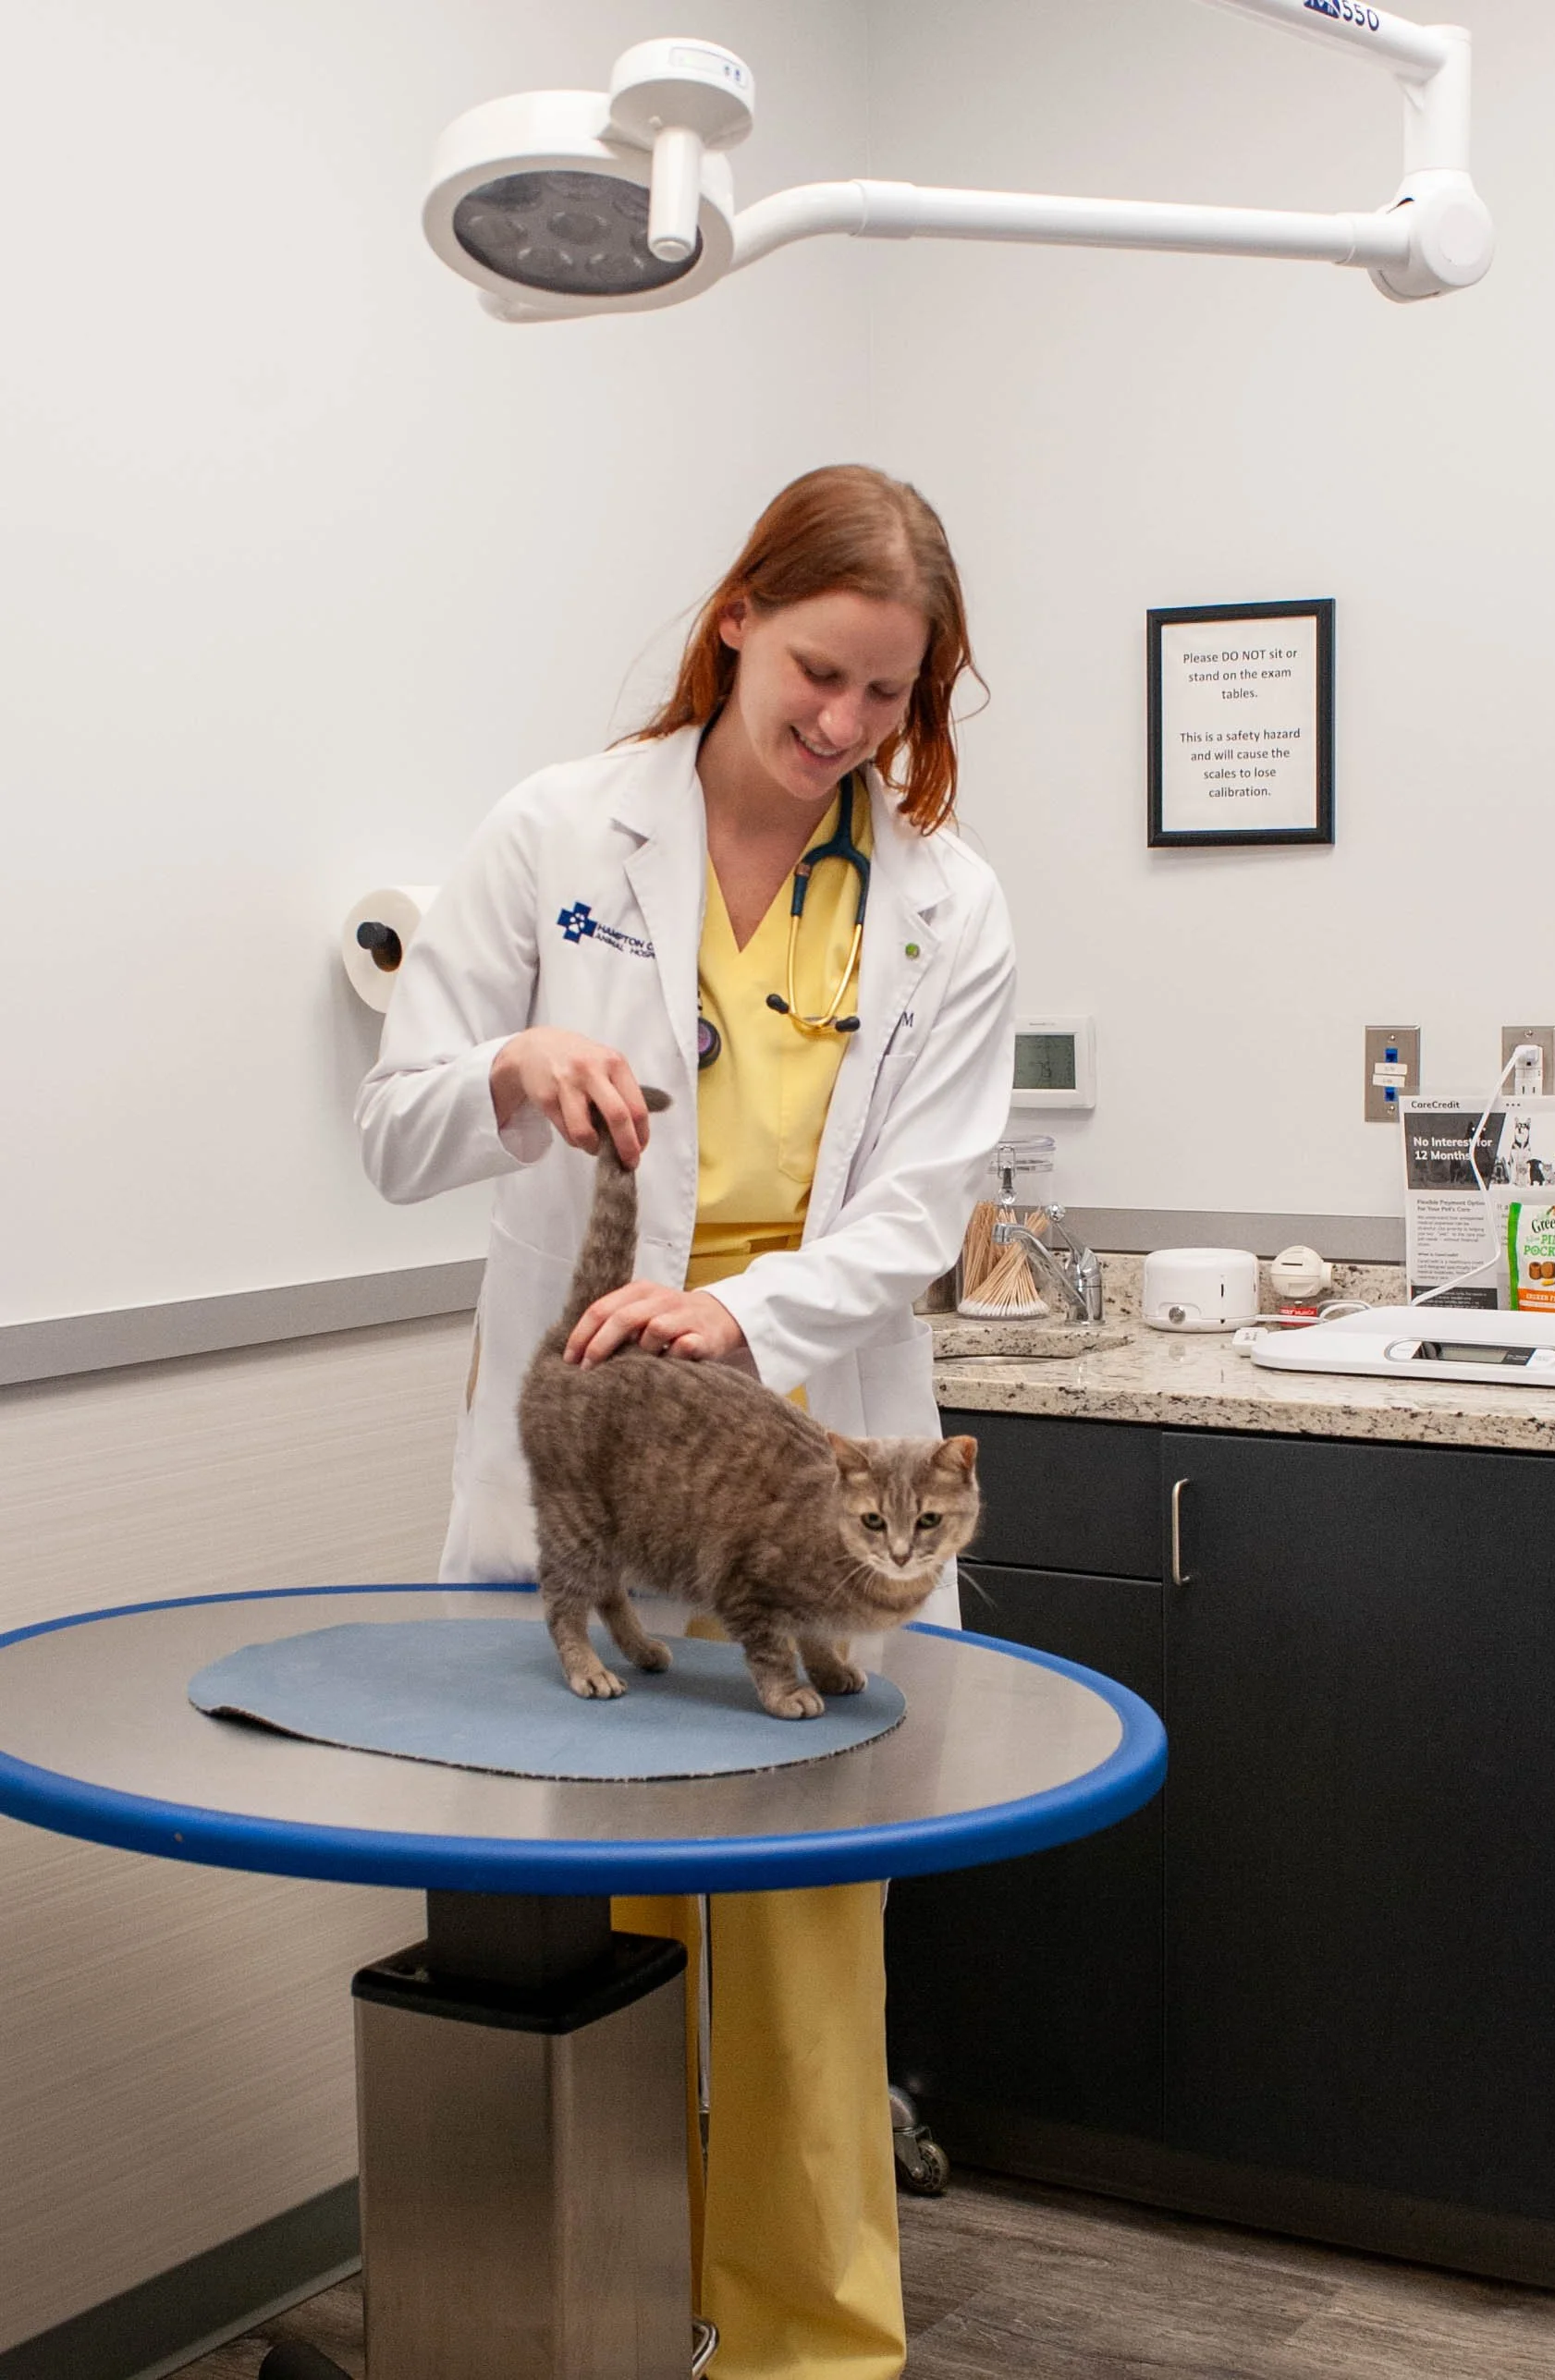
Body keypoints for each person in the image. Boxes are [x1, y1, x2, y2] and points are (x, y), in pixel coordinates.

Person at [355, 463, 1016, 2379]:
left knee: (810, 1972)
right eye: (819, 671)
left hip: (818, 1463)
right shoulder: (556, 828)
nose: (842, 729)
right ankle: (611, 2335)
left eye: (888, 698)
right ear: (737, 616)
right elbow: (394, 1129)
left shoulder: (940, 901)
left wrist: (732, 1308)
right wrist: (508, 1061)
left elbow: (917, 1211)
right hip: (596, 1465)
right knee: (589, 1939)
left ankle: (814, 2353)